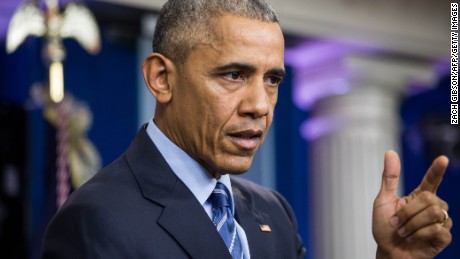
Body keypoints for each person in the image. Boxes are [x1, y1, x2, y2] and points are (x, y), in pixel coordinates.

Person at [41, 0, 452, 258]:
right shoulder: (96, 221)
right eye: (234, 75)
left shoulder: (273, 212)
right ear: (161, 79)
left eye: (272, 80)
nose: (259, 105)